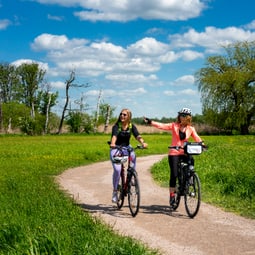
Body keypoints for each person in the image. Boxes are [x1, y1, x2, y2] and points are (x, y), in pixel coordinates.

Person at [144, 107, 205, 207]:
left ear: (188, 117)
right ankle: (172, 195)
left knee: (191, 162)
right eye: (181, 115)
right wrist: (150, 122)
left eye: (184, 115)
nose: (182, 117)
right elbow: (162, 126)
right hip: (174, 152)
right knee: (174, 174)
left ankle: (188, 181)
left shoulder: (191, 129)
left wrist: (202, 144)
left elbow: (197, 138)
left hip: (185, 152)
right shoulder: (174, 125)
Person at [110, 108, 148, 203]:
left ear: (129, 117)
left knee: (133, 156)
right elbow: (114, 136)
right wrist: (113, 143)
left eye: (124, 115)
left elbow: (137, 135)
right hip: (116, 148)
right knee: (118, 170)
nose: (122, 116)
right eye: (121, 114)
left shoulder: (131, 126)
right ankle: (115, 191)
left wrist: (143, 143)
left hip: (127, 147)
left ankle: (131, 176)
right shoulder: (116, 126)